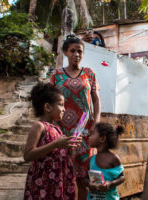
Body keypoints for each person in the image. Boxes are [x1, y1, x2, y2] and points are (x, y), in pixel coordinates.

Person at [50, 35, 101, 200]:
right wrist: (50, 126)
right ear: (65, 52)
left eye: (79, 51)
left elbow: (96, 99)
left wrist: (97, 122)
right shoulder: (57, 75)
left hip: (85, 129)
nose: (76, 54)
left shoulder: (89, 73)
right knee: (63, 171)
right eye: (72, 50)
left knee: (85, 174)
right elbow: (49, 101)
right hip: (62, 129)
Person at [23, 83, 81, 199]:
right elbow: (28, 155)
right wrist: (56, 144)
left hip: (59, 180)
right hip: (44, 181)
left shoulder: (57, 129)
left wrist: (69, 148)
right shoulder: (39, 126)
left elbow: (61, 153)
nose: (64, 109)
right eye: (60, 105)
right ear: (48, 107)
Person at [86, 122, 125, 200]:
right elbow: (86, 178)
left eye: (93, 134)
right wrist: (89, 184)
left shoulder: (114, 158)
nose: (89, 136)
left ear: (102, 138)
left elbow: (122, 177)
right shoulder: (91, 159)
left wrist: (110, 184)